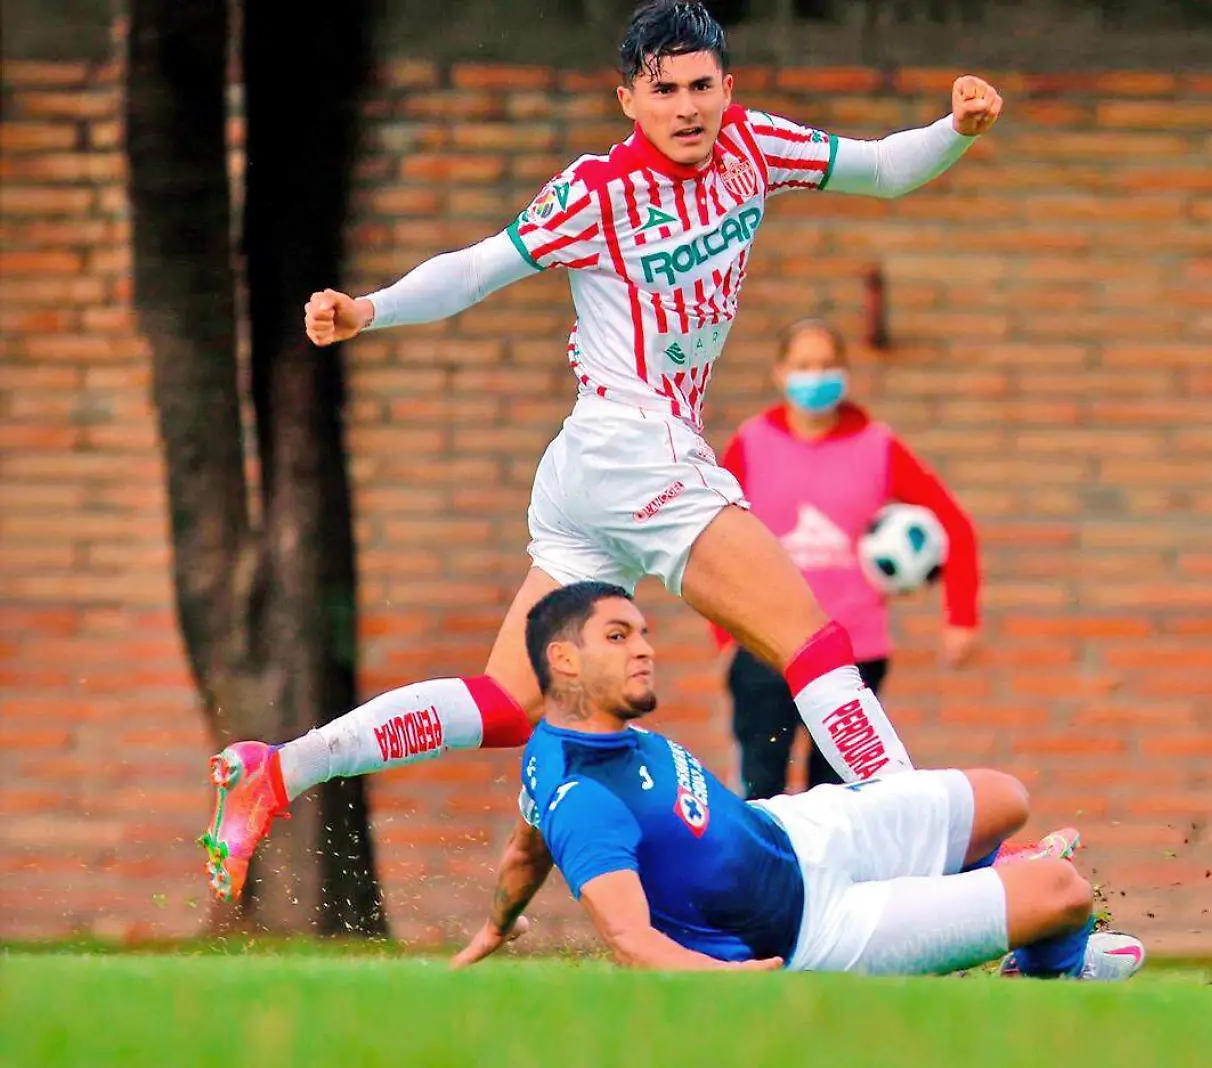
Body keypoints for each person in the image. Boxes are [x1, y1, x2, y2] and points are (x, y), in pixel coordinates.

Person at [197, 0, 1006, 903]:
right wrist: (368, 310)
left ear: (728, 89)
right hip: (633, 446)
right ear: (629, 99)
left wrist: (956, 130)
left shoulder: (754, 146)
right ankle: (944, 860)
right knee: (813, 644)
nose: (688, 107)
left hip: (595, 472)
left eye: (703, 86)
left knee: (509, 702)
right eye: (665, 91)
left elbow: (884, 170)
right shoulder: (596, 191)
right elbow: (477, 266)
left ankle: (280, 769)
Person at [449, 581, 1145, 979]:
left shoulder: (556, 750)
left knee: (1004, 798)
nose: (645, 649)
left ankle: (983, 891)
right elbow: (631, 942)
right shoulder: (586, 800)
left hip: (801, 829)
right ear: (564, 661)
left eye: (642, 633)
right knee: (1064, 891)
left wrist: (493, 927)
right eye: (619, 637)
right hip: (815, 929)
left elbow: (524, 848)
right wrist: (724, 980)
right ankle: (1055, 966)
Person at [717, 318, 980, 799]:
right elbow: (710, 534)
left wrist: (960, 616)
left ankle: (835, 877)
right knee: (760, 786)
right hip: (763, 644)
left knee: (841, 792)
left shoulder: (877, 446)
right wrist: (725, 633)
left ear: (845, 372)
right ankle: (762, 876)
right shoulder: (751, 444)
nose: (815, 377)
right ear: (779, 373)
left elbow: (954, 526)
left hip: (853, 650)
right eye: (803, 366)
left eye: (826, 365)